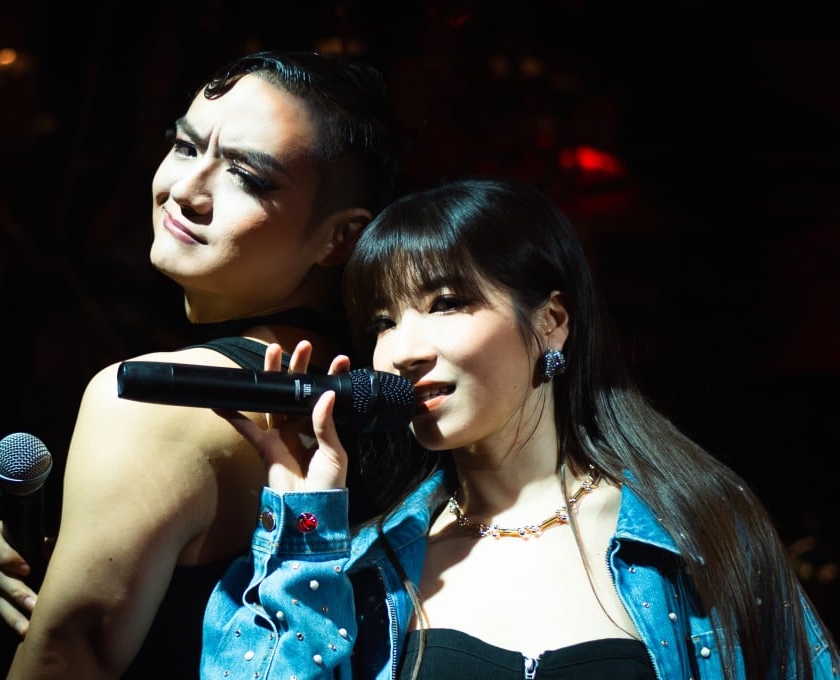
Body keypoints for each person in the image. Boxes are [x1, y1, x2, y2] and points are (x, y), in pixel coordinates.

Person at [203, 177, 840, 679]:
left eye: (446, 304)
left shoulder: (693, 531)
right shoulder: (367, 564)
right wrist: (301, 531)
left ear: (551, 321)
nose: (400, 351)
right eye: (381, 323)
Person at [0, 50, 402, 678]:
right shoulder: (391, 390)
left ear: (342, 237)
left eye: (247, 176)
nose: (185, 190)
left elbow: (67, 657)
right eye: (184, 145)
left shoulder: (153, 406)